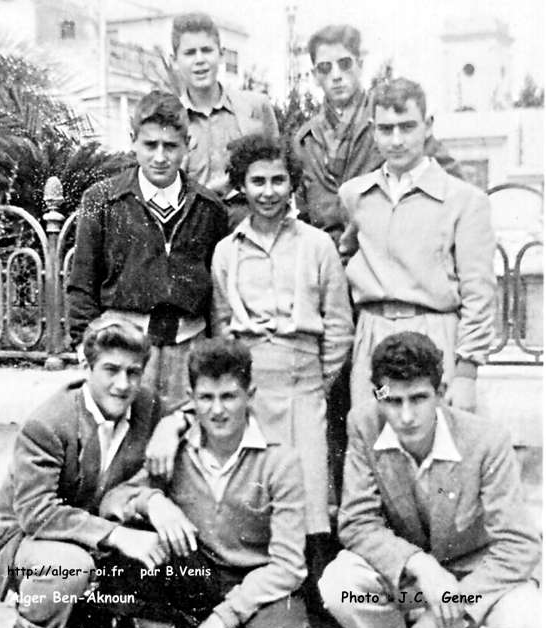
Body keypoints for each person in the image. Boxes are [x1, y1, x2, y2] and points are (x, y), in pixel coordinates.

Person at [319, 332, 541, 628]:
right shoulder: (364, 426)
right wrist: (422, 566)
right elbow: (356, 521)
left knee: (527, 622)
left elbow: (520, 546)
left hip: (475, 580)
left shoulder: (485, 441)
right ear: (377, 395)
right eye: (393, 400)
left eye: (419, 398)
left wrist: (441, 618)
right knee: (340, 586)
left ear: (440, 392)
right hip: (415, 584)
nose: (406, 416)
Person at [102, 337, 310, 628]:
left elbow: (289, 566)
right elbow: (112, 501)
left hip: (256, 581)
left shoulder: (282, 461)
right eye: (206, 398)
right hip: (199, 574)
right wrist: (153, 500)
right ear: (191, 398)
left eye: (229, 397)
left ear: (251, 394)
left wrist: (219, 621)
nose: (217, 411)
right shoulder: (174, 449)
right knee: (126, 551)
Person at [0, 315, 177, 628]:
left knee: (157, 534)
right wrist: (118, 534)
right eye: (110, 370)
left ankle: (91, 624)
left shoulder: (146, 406)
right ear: (85, 366)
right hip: (25, 540)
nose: (123, 384)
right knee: (73, 566)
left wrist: (174, 426)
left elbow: (192, 412)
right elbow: (36, 512)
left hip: (84, 532)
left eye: (133, 372)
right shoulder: (48, 423)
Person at [209, 134, 354, 608]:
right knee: (257, 488)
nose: (268, 191)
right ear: (241, 187)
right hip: (252, 392)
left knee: (311, 491)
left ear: (292, 184)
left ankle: (315, 601)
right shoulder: (228, 252)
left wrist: (312, 380)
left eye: (278, 180)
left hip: (304, 388)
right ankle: (263, 599)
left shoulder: (316, 247)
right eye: (257, 181)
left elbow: (338, 327)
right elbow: (222, 330)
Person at [338, 77, 496, 410]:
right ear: (373, 130)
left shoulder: (464, 201)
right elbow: (348, 254)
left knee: (433, 435)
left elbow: (478, 292)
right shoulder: (357, 195)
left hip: (434, 338)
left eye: (407, 127)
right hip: (374, 339)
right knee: (375, 428)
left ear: (428, 126)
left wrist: (466, 372)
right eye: (386, 129)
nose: (396, 140)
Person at [67, 90, 228, 409]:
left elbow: (216, 295)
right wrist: (86, 348)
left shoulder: (209, 208)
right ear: (133, 140)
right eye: (150, 144)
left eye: (170, 146)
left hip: (188, 348)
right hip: (123, 348)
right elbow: (82, 282)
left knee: (181, 442)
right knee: (122, 442)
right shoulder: (101, 200)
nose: (160, 157)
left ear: (188, 144)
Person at [293, 24, 463, 244]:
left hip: (385, 259)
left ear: (360, 65)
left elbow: (455, 186)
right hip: (329, 263)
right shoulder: (305, 140)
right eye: (325, 68)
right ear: (315, 75)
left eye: (345, 64)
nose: (336, 76)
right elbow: (303, 215)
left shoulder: (391, 121)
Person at [172, 12, 279, 222]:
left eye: (206, 50)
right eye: (190, 53)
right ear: (175, 60)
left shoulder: (256, 107)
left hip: (251, 225)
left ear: (221, 54)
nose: (200, 60)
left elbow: (278, 170)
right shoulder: (170, 120)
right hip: (195, 227)